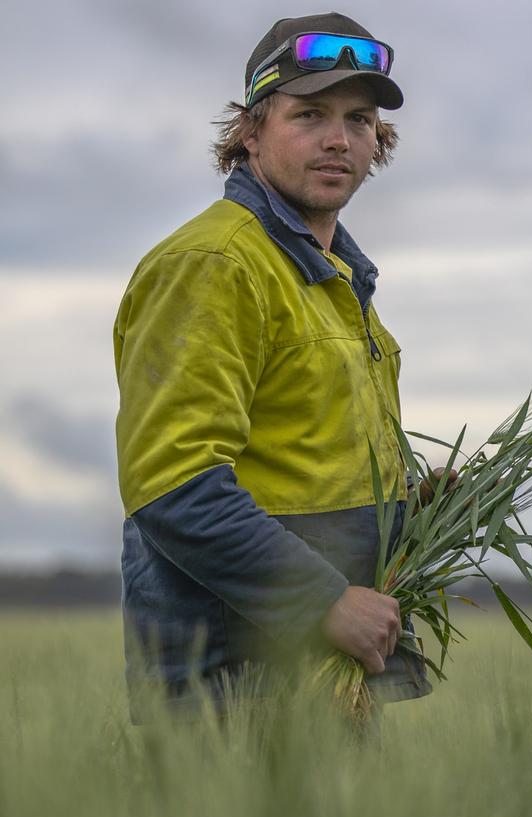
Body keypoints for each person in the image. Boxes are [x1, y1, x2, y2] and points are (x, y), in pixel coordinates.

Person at [113, 12, 433, 724]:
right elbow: (174, 484)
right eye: (309, 114)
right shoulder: (214, 264)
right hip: (231, 681)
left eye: (358, 119)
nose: (337, 139)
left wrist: (413, 506)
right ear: (251, 131)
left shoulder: (334, 275)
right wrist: (320, 600)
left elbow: (300, 461)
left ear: (378, 140)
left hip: (322, 671)